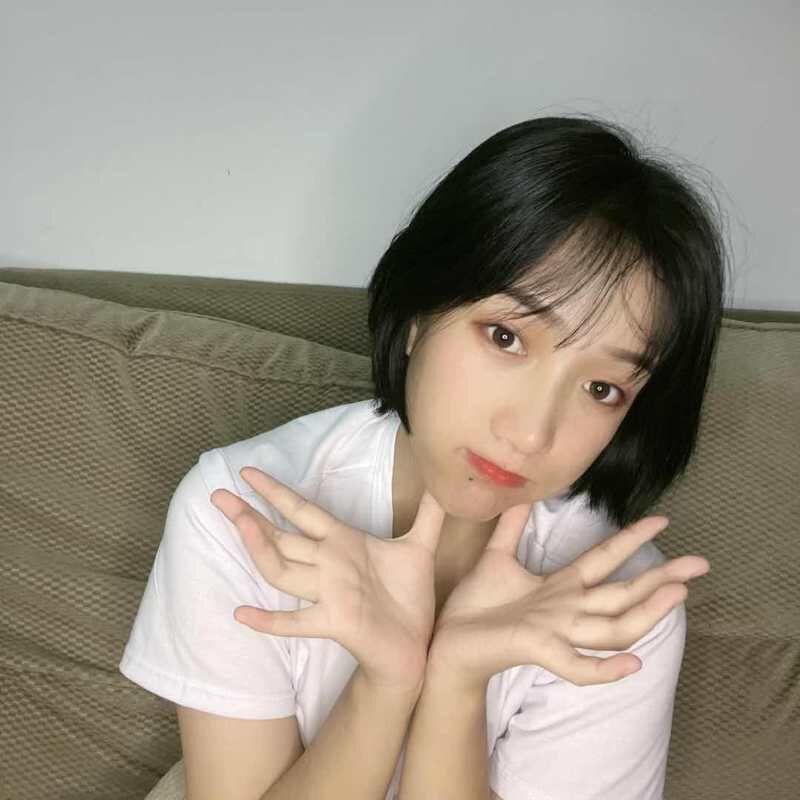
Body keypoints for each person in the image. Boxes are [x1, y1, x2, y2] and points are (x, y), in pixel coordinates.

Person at [119, 114, 728, 800]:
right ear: (419, 312)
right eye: (505, 337)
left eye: (601, 389)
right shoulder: (242, 509)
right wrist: (385, 682)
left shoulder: (619, 610)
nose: (531, 433)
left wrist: (456, 683)